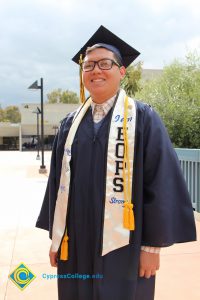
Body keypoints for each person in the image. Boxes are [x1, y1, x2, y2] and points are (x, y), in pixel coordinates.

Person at [36, 25, 196, 300]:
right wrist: (57, 237)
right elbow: (57, 185)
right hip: (76, 241)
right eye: (88, 66)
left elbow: (161, 181)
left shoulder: (143, 118)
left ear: (121, 72)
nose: (96, 70)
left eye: (105, 63)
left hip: (126, 244)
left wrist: (152, 247)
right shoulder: (69, 124)